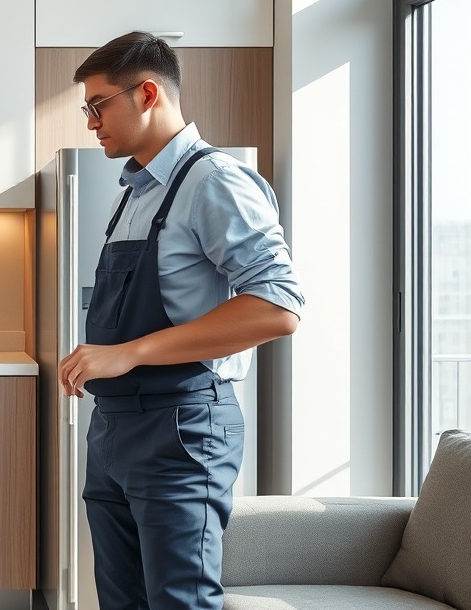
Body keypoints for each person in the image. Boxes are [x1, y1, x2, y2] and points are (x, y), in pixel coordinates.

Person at [59, 32, 305, 610]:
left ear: (146, 94)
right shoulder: (136, 190)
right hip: (115, 426)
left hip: (183, 426)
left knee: (179, 601)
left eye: (98, 106)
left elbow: (278, 305)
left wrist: (131, 351)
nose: (91, 122)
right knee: (121, 600)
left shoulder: (213, 180)